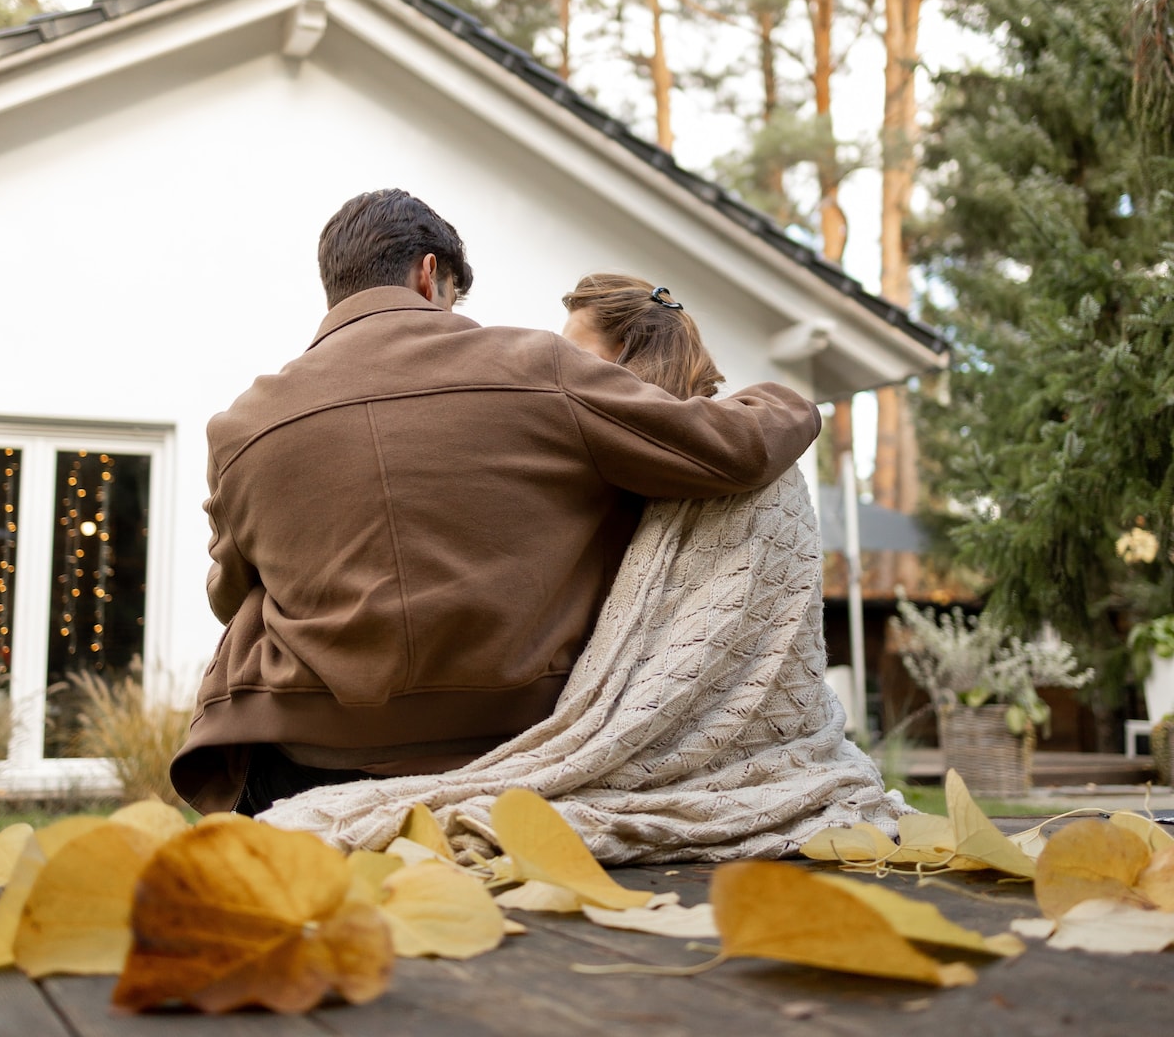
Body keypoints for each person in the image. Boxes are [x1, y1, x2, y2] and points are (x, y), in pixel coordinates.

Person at [169, 189, 823, 816]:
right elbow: (731, 450)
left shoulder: (240, 427)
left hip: (304, 756)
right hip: (508, 742)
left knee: (258, 584)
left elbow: (228, 599)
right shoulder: (537, 365)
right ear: (431, 276)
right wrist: (788, 400)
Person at [257, 271, 907, 862]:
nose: (564, 374)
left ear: (631, 360)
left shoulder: (697, 447)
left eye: (578, 356)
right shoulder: (589, 449)